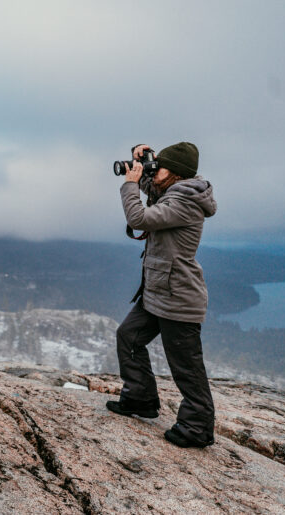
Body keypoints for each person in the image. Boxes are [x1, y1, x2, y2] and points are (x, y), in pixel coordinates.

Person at [106, 142, 218, 448]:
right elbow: (154, 191)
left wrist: (130, 186)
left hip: (178, 297)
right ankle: (140, 398)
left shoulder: (186, 202)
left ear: (176, 174)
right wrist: (138, 162)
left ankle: (197, 428)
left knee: (186, 367)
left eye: (160, 168)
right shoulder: (172, 192)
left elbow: (139, 219)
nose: (154, 174)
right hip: (158, 290)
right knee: (128, 338)